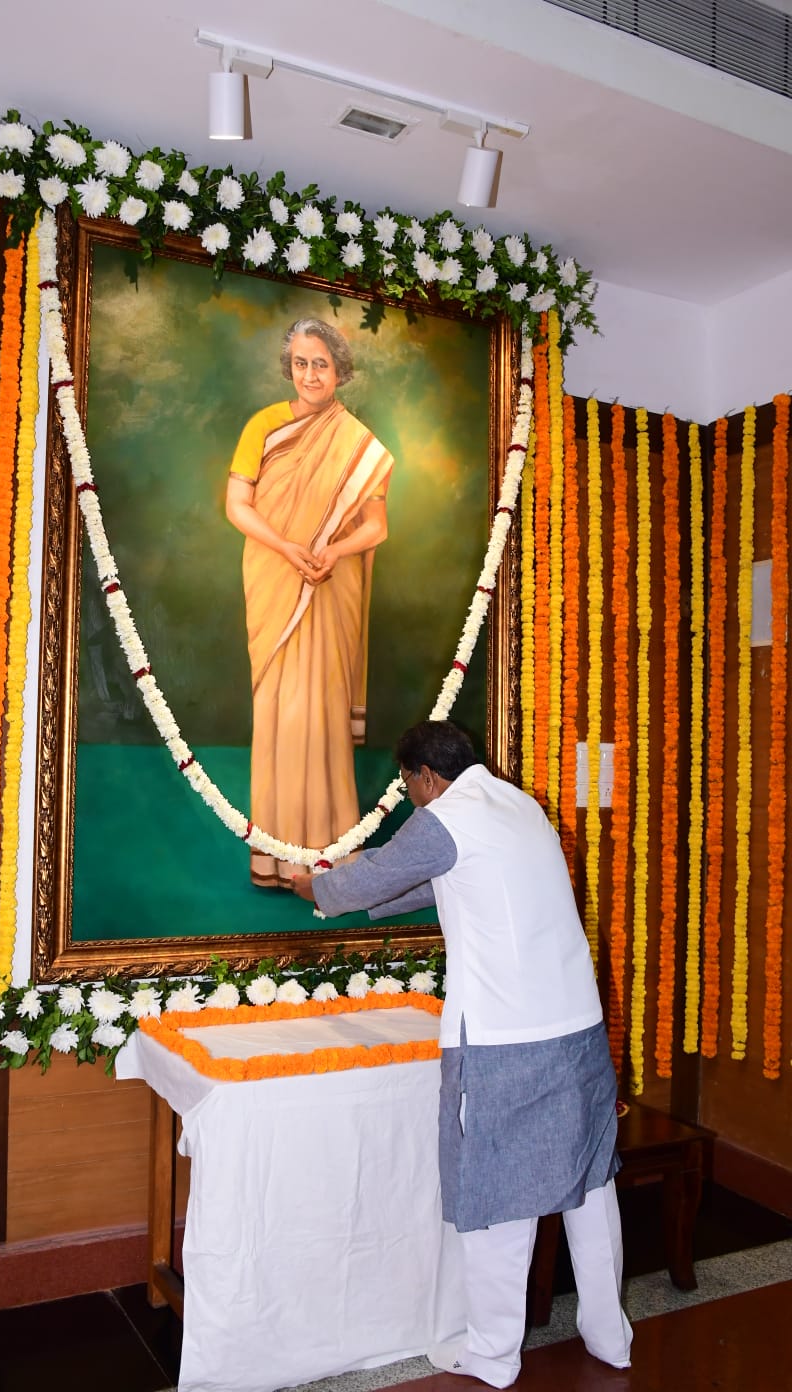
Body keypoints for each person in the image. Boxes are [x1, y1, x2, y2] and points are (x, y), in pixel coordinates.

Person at [292, 720, 632, 1389]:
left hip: (507, 1039)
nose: (411, 795)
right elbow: (430, 881)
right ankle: (609, 1338)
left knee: (495, 1194)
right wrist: (358, 889)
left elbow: (373, 879)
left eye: (407, 784)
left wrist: (316, 889)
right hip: (577, 1031)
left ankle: (494, 1355)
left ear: (424, 776)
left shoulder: (444, 818)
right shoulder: (517, 804)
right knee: (591, 1189)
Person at [226, 318, 394, 888]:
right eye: (301, 363)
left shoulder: (357, 443)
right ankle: (275, 858)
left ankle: (330, 856)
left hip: (330, 583)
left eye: (321, 363)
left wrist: (333, 551)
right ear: (289, 367)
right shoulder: (264, 425)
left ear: (339, 370)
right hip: (276, 578)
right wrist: (287, 548)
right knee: (279, 712)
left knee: (321, 712)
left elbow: (376, 526)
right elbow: (237, 506)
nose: (310, 374)